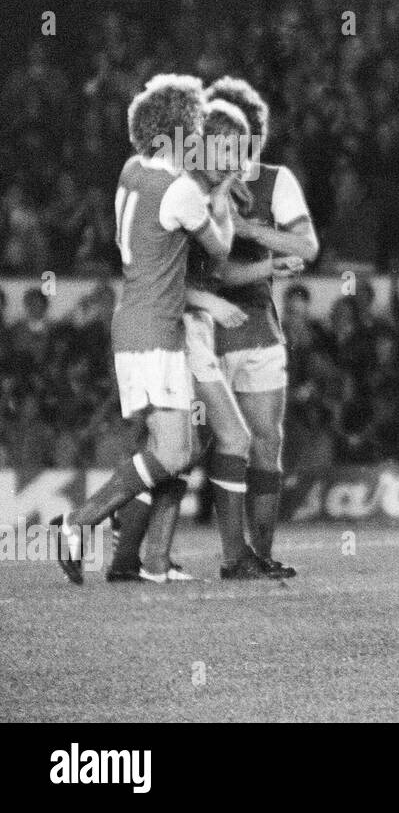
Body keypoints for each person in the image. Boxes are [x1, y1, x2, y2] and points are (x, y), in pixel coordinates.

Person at [54, 74, 235, 584]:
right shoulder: (179, 191)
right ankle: (78, 522)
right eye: (194, 129)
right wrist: (220, 191)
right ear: (176, 134)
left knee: (183, 446)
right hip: (155, 331)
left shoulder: (132, 170)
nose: (199, 137)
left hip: (135, 323)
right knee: (176, 451)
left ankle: (146, 558)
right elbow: (219, 249)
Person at [203, 77, 319, 577]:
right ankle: (142, 543)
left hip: (257, 327)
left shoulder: (275, 180)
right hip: (205, 325)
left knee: (265, 440)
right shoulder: (198, 183)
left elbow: (307, 247)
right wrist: (267, 256)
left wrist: (249, 229)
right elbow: (216, 268)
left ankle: (259, 555)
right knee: (193, 446)